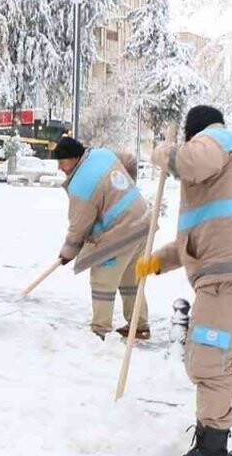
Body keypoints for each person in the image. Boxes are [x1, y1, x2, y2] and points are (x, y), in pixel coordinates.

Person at [136, 105, 232, 456]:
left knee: (207, 359)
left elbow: (191, 161)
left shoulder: (215, 139)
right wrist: (155, 263)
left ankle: (211, 448)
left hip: (230, 277)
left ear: (194, 134)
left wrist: (164, 153)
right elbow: (195, 242)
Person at [53, 136, 151, 340]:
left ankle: (100, 330)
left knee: (102, 280)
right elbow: (127, 165)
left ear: (74, 158)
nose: (60, 167)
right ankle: (138, 326)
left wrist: (67, 254)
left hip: (121, 231)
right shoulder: (102, 155)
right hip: (142, 221)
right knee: (131, 280)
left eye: (62, 162)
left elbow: (79, 226)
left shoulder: (81, 183)